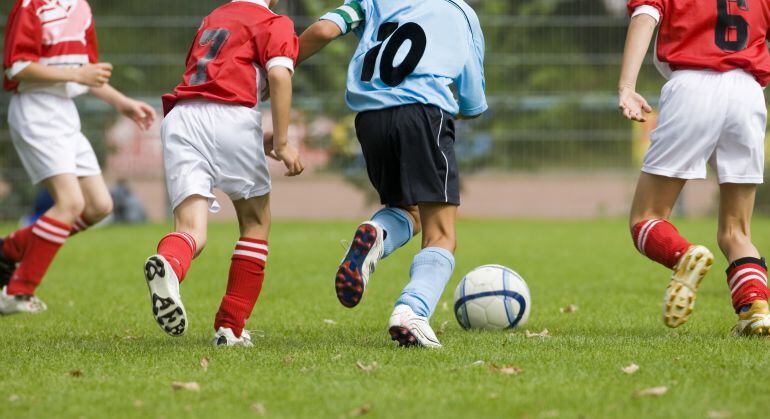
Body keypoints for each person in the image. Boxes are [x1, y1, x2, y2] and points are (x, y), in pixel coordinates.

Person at [298, 0, 487, 347]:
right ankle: (411, 311)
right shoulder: (460, 11)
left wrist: (279, 66)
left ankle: (376, 231)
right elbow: (472, 102)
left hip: (370, 118)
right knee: (442, 233)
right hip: (423, 112)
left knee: (407, 210)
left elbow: (325, 29)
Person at [143, 0, 303, 346]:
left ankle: (169, 263)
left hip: (181, 118)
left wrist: (256, 140)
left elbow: (211, 88)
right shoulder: (275, 22)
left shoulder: (213, 18)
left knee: (190, 230)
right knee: (256, 223)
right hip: (233, 116)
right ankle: (230, 328)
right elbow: (278, 75)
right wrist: (284, 140)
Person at [619, 0, 770, 335]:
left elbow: (644, 18)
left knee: (646, 217)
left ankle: (684, 255)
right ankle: (756, 308)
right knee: (736, 231)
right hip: (748, 93)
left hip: (692, 87)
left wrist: (627, 87)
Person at [0, 0, 156, 314]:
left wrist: (121, 102)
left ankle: (10, 248)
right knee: (69, 203)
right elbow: (16, 67)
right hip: (35, 110)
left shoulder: (81, 7)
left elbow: (88, 73)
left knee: (100, 206)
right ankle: (16, 291)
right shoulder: (32, 5)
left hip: (64, 113)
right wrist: (76, 74)